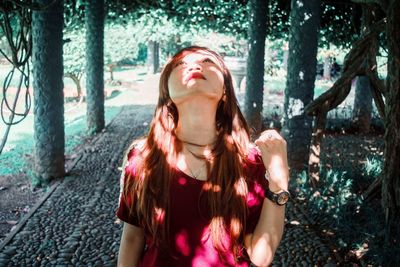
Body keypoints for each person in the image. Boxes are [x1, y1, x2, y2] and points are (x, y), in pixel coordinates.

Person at [116, 46, 289, 267]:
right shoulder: (142, 158)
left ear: (225, 90)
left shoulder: (250, 162)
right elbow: (132, 238)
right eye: (181, 64)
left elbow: (261, 256)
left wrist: (279, 181)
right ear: (166, 91)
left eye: (208, 61)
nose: (195, 66)